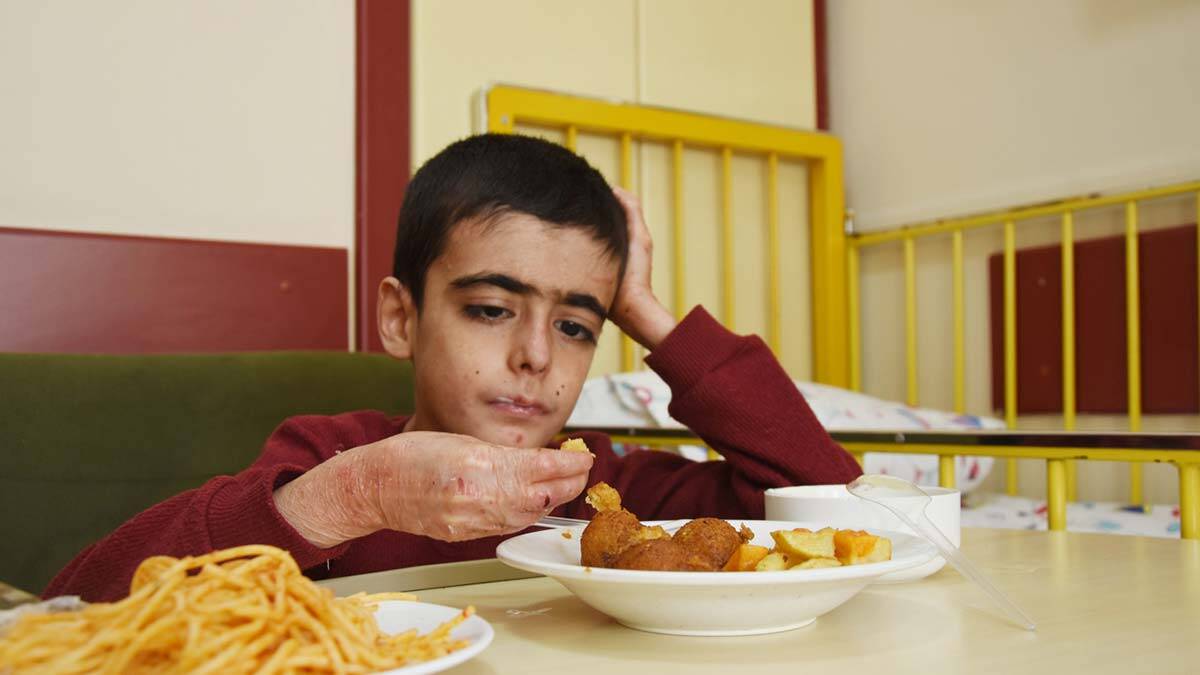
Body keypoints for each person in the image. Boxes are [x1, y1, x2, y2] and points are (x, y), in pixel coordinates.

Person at [47, 134, 861, 602]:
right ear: (401, 318)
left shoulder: (612, 490)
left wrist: (647, 310)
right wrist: (354, 494)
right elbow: (75, 608)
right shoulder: (328, 454)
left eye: (577, 325)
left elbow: (827, 499)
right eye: (491, 308)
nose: (536, 354)